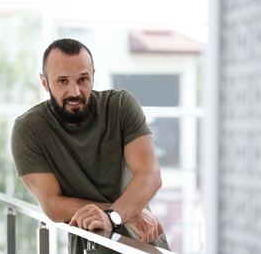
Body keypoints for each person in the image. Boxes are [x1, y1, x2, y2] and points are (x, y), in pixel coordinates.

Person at [11, 38, 170, 253]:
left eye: (83, 79)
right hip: (91, 248)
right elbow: (53, 205)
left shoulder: (121, 106)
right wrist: (122, 215)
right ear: (45, 82)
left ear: (93, 75)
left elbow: (150, 174)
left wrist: (112, 216)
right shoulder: (29, 129)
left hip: (144, 245)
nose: (75, 92)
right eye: (63, 81)